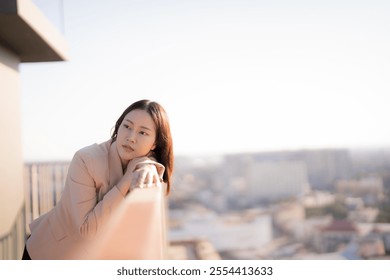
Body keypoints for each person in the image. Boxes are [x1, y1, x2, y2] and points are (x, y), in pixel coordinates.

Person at [22, 99, 174, 259]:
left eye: (142, 132)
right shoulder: (86, 159)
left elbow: (147, 161)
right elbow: (86, 231)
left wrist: (146, 165)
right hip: (50, 252)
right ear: (118, 127)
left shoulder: (144, 162)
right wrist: (127, 180)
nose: (131, 137)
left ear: (155, 143)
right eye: (127, 126)